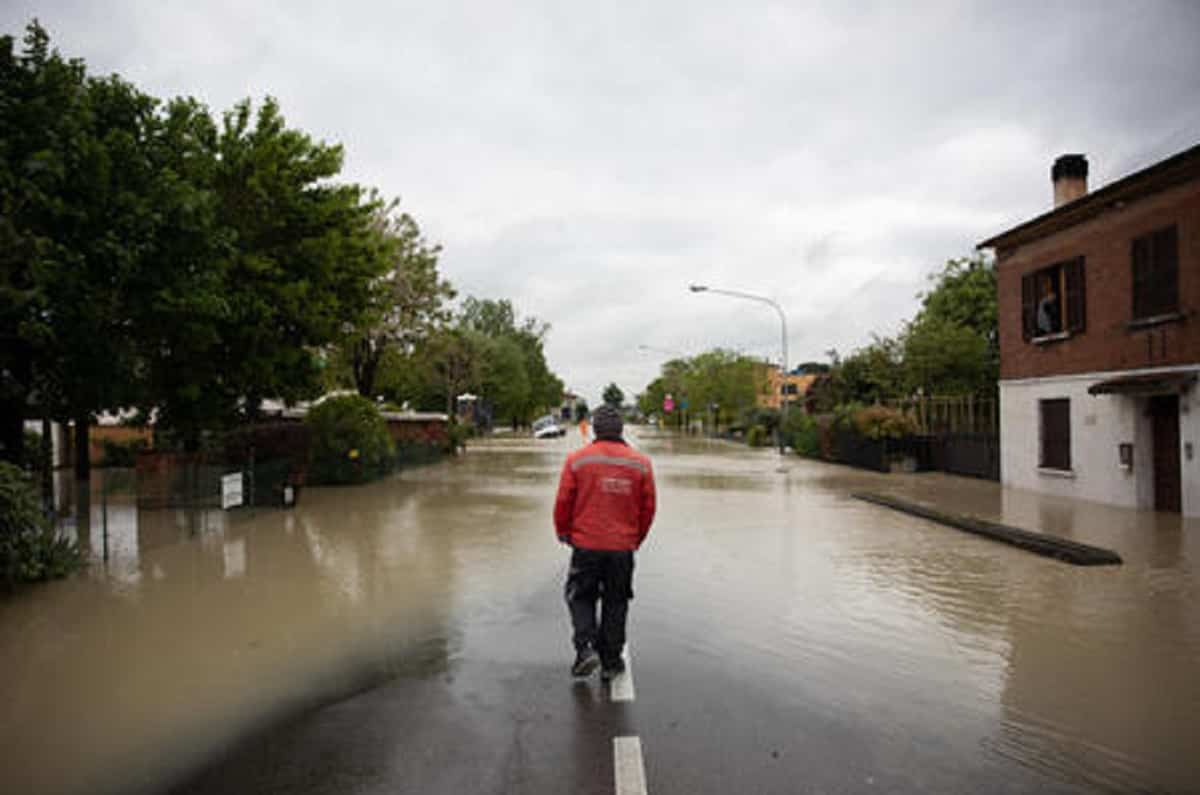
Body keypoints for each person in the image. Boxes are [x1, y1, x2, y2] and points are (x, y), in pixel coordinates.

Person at [553, 405, 656, 679]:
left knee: (581, 596)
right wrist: (636, 538)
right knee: (616, 601)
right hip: (622, 548)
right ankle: (611, 662)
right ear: (621, 429)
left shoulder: (577, 460)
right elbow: (648, 508)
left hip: (585, 545)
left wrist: (563, 532)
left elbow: (564, 501)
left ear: (595, 430)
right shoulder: (640, 463)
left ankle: (586, 649)